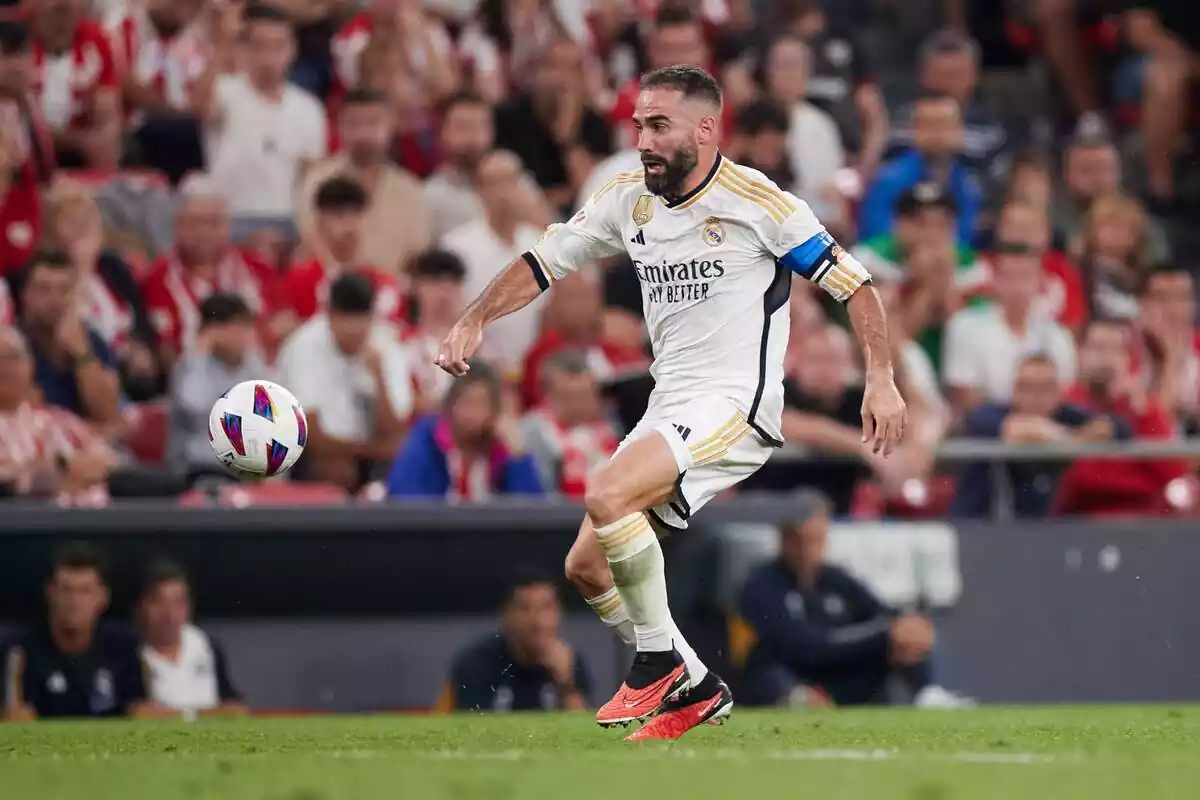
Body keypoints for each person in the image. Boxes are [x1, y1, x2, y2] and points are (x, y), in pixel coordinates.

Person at [434, 65, 905, 741]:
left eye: (658, 126)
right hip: (671, 406)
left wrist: (881, 378)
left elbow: (856, 287)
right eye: (637, 127)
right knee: (587, 566)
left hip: (734, 404)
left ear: (706, 128)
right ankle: (696, 683)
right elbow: (545, 261)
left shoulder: (758, 202)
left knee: (606, 493)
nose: (643, 141)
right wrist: (475, 319)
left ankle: (655, 661)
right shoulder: (627, 199)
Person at [738, 490, 968, 708]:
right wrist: (883, 636)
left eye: (816, 541)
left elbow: (880, 613)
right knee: (768, 672)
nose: (808, 551)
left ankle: (927, 693)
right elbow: (803, 647)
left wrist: (901, 630)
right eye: (799, 540)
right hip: (795, 672)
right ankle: (798, 703)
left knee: (907, 634)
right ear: (784, 539)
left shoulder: (835, 579)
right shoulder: (763, 585)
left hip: (842, 673)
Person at [195, 3, 327, 244]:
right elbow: (197, 105)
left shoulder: (309, 109)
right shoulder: (225, 90)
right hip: (233, 218)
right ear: (244, 49)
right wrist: (223, 47)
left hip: (287, 222)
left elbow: (311, 177)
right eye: (259, 46)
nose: (268, 57)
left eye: (277, 47)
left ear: (292, 50)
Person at [950, 354, 1132, 518]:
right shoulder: (987, 415)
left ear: (1058, 393)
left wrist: (1067, 439)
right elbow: (1022, 430)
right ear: (1014, 391)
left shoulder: (1067, 415)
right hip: (982, 529)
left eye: (1046, 388)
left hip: (1049, 529)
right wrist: (1073, 441)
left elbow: (1117, 427)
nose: (1036, 397)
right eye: (1027, 387)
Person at [278, 273, 412, 490]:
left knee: (405, 466)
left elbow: (396, 433)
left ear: (372, 317)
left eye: (361, 319)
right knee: (337, 469)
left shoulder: (386, 345)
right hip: (311, 456)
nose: (353, 330)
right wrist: (373, 449)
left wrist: (380, 379)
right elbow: (310, 437)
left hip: (367, 454)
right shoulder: (305, 346)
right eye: (345, 319)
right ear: (329, 315)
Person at [1054, 317, 1189, 515]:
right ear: (1080, 353)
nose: (1105, 358)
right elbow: (1069, 482)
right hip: (1080, 521)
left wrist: (1143, 414)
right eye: (1097, 348)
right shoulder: (1064, 405)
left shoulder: (1144, 409)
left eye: (1115, 350)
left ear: (1127, 359)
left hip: (1143, 525)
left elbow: (1175, 475)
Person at [2, 543, 149, 720]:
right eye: (66, 590)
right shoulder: (21, 649)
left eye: (85, 591)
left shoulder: (123, 646)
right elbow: (15, 714)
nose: (74, 601)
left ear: (102, 597)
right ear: (50, 593)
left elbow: (141, 709)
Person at [295, 87, 431, 275]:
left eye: (373, 123)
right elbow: (309, 240)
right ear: (339, 127)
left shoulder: (410, 190)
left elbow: (417, 257)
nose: (363, 134)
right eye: (354, 124)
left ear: (390, 126)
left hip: (393, 294)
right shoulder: (318, 180)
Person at [942, 242, 1077, 418]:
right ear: (994, 280)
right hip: (986, 427)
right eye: (1009, 277)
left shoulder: (1058, 334)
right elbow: (965, 398)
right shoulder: (965, 326)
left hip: (1048, 424)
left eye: (1026, 276)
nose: (1017, 286)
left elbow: (1065, 393)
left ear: (1040, 281)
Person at [441, 150, 546, 375]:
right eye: (493, 183)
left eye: (510, 181)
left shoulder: (540, 242)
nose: (502, 192)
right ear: (479, 191)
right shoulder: (457, 247)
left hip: (532, 369)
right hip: (477, 368)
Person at [437, 568, 591, 713]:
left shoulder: (569, 661)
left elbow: (583, 732)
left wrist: (566, 685)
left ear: (559, 613)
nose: (537, 621)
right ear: (505, 614)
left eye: (546, 608)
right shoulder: (475, 663)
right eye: (525, 608)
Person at [386, 359, 544, 499]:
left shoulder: (500, 447)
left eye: (480, 404)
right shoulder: (427, 437)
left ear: (495, 410)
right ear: (451, 403)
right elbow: (403, 494)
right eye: (465, 402)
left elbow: (531, 510)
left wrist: (517, 455)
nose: (471, 414)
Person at [0, 326, 115, 505]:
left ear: (30, 365)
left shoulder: (60, 421)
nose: (5, 367)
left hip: (94, 523)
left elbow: (107, 461)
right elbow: (11, 484)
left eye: (14, 357)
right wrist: (62, 472)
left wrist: (87, 469)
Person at [281, 175, 405, 335]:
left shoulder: (385, 285)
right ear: (320, 222)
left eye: (356, 215)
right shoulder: (301, 280)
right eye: (338, 216)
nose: (349, 225)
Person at [167, 293, 271, 479]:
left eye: (245, 326)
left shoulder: (252, 365)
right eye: (234, 327)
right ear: (211, 331)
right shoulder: (190, 367)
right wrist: (201, 351)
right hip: (197, 468)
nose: (243, 335)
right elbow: (194, 406)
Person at [16, 250, 122, 429]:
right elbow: (23, 420)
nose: (55, 299)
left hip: (88, 445)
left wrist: (82, 353)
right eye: (44, 289)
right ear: (25, 295)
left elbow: (108, 413)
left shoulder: (92, 340)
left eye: (64, 290)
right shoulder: (11, 345)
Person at [858, 92, 982, 246]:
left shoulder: (967, 183)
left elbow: (966, 237)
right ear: (914, 131)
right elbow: (876, 234)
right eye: (928, 126)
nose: (936, 134)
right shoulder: (889, 179)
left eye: (944, 125)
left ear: (960, 131)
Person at [136, 559, 247, 718]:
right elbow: (139, 712)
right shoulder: (132, 655)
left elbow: (234, 706)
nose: (169, 614)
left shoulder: (206, 645)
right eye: (159, 602)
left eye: (178, 602)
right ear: (141, 607)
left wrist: (184, 715)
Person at [519, 349, 619, 499]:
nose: (577, 406)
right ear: (546, 395)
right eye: (567, 397)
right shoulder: (528, 435)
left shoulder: (612, 428)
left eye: (584, 397)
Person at [401, 249, 467, 408]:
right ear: (416, 288)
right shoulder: (400, 345)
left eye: (452, 286)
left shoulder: (475, 347)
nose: (444, 295)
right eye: (436, 284)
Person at [424, 92, 493, 242]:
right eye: (463, 127)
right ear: (443, 133)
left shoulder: (516, 184)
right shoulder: (430, 197)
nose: (473, 137)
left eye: (480, 127)